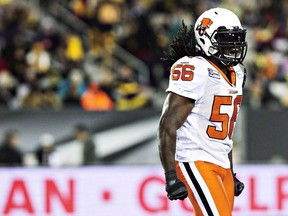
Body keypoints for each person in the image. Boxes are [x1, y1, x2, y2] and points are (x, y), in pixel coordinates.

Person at [158, 8, 246, 215]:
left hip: (220, 161)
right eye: (226, 39)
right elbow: (168, 124)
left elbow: (223, 131)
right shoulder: (195, 68)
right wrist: (170, 174)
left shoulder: (238, 72)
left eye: (236, 38)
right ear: (206, 38)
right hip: (195, 159)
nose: (234, 45)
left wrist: (230, 172)